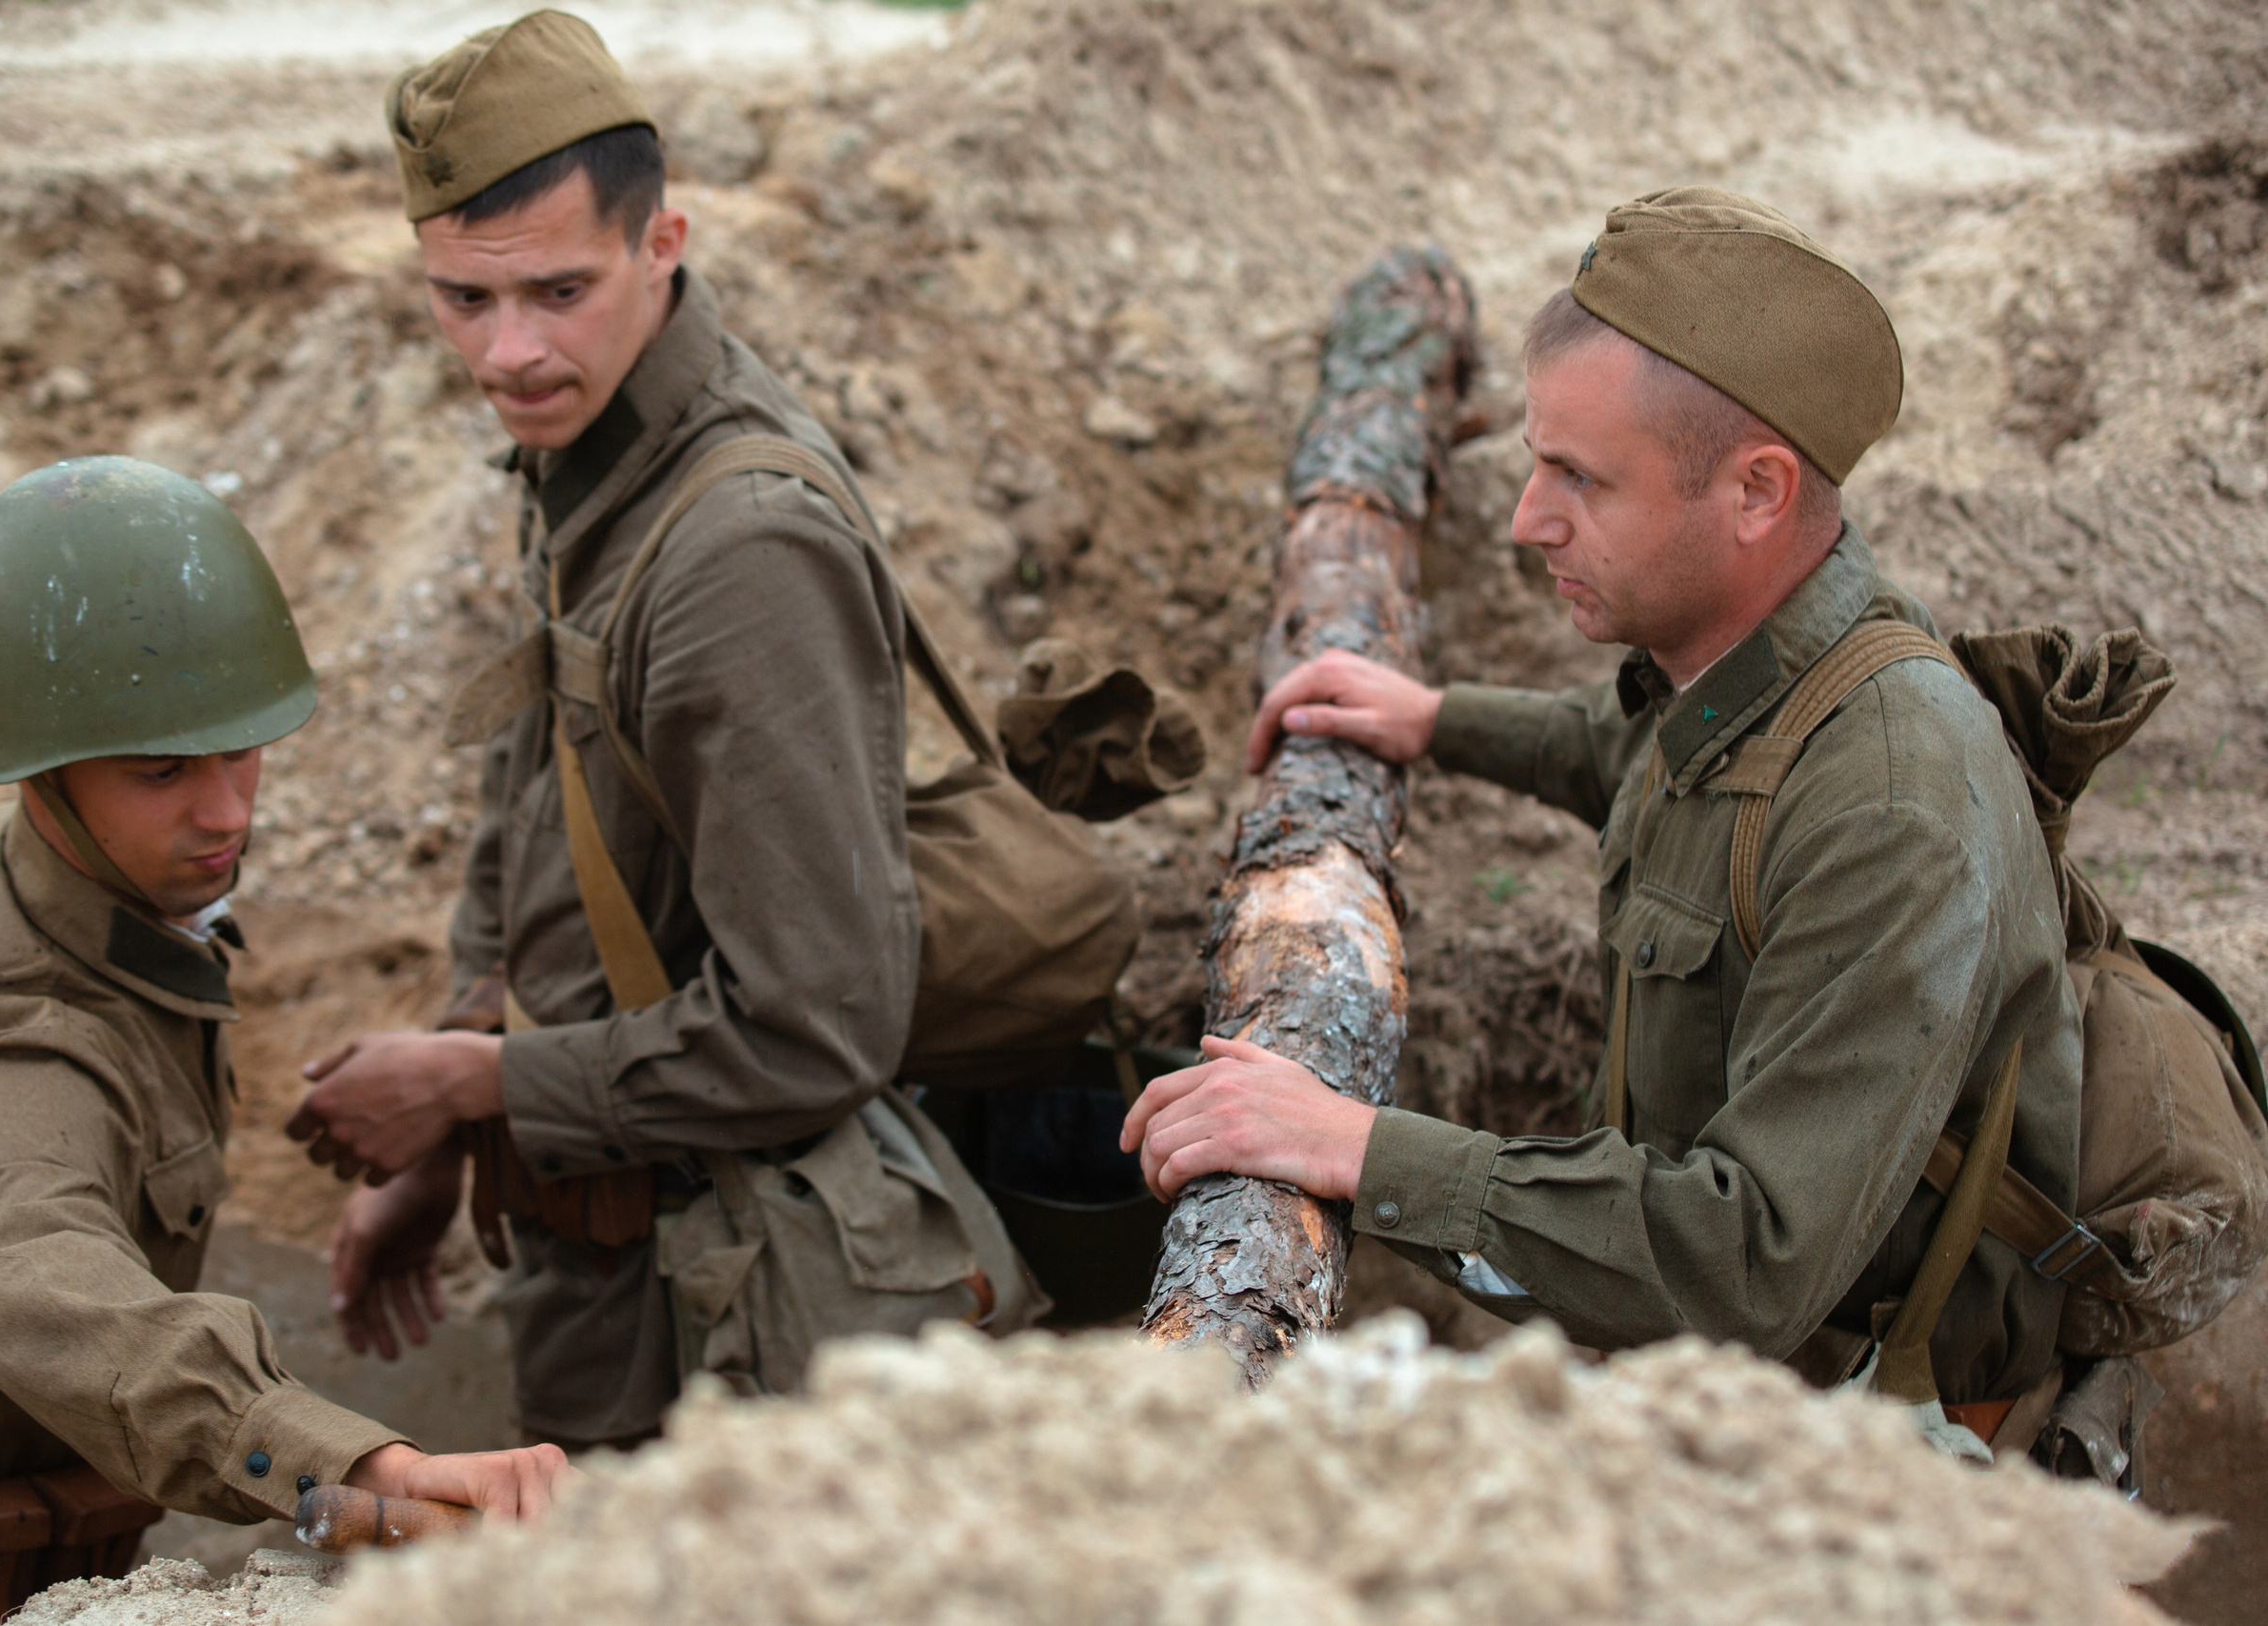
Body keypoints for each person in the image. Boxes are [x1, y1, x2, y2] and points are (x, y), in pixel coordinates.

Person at [1122, 190, 2082, 1433]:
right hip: (1721, 1349)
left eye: (1579, 476)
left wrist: (1365, 1147)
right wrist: (1432, 717)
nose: (1529, 519)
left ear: (1755, 489)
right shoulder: (1757, 658)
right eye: (1535, 459)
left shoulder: (1892, 806)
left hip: (1871, 1414)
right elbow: (1636, 746)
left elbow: (1747, 1265)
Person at [283, 10, 931, 1446]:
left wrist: (475, 1080)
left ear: (664, 241)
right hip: (609, 1260)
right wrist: (461, 1110)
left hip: (720, 1319)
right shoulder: (593, 446)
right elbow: (539, 798)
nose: (508, 352)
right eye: (463, 299)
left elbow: (821, 1025)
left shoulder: (738, 552)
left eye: (558, 289)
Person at [0, 459, 568, 1626]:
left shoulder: (3, 864)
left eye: (242, 749)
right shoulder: (22, 1032)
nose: (227, 811)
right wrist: (351, 1467)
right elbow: (23, 1272)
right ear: (43, 770)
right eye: (164, 771)